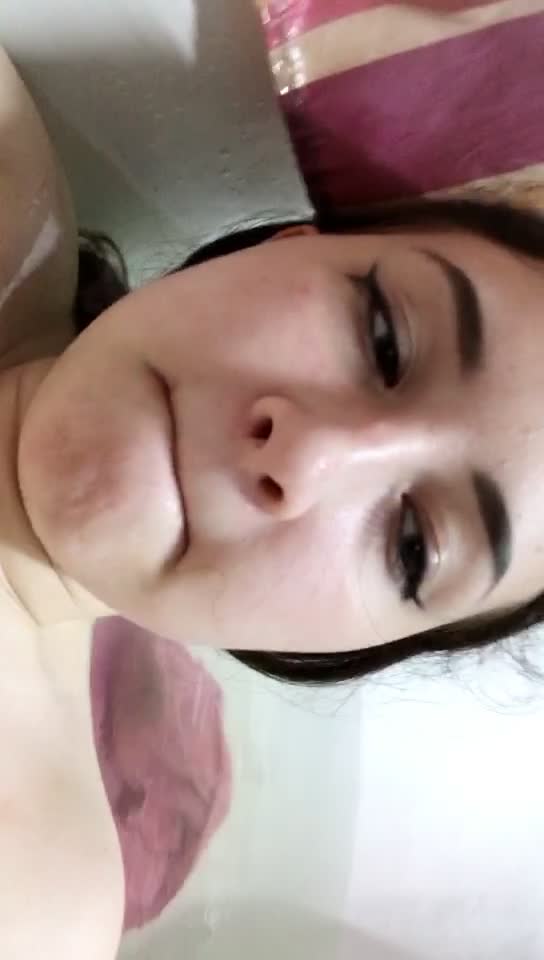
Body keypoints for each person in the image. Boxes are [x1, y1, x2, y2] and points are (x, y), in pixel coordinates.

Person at [3, 45, 544, 958]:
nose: (308, 452)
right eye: (383, 338)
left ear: (337, 649)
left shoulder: (31, 898)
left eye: (413, 546)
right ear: (287, 245)